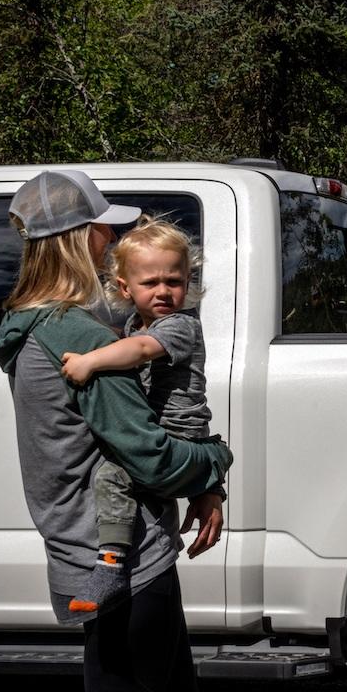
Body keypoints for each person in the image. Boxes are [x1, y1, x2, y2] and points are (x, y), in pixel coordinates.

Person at [0, 168, 235, 692]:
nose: (110, 239)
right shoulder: (68, 336)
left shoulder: (54, 325)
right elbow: (151, 454)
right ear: (81, 240)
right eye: (102, 230)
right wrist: (215, 463)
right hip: (118, 562)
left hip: (134, 553)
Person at [59, 216, 213, 616]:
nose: (164, 291)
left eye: (174, 282)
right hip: (163, 431)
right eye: (151, 283)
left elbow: (141, 350)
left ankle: (110, 566)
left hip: (175, 436)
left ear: (188, 282)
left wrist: (90, 361)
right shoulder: (132, 323)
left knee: (112, 474)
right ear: (125, 288)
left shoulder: (180, 326)